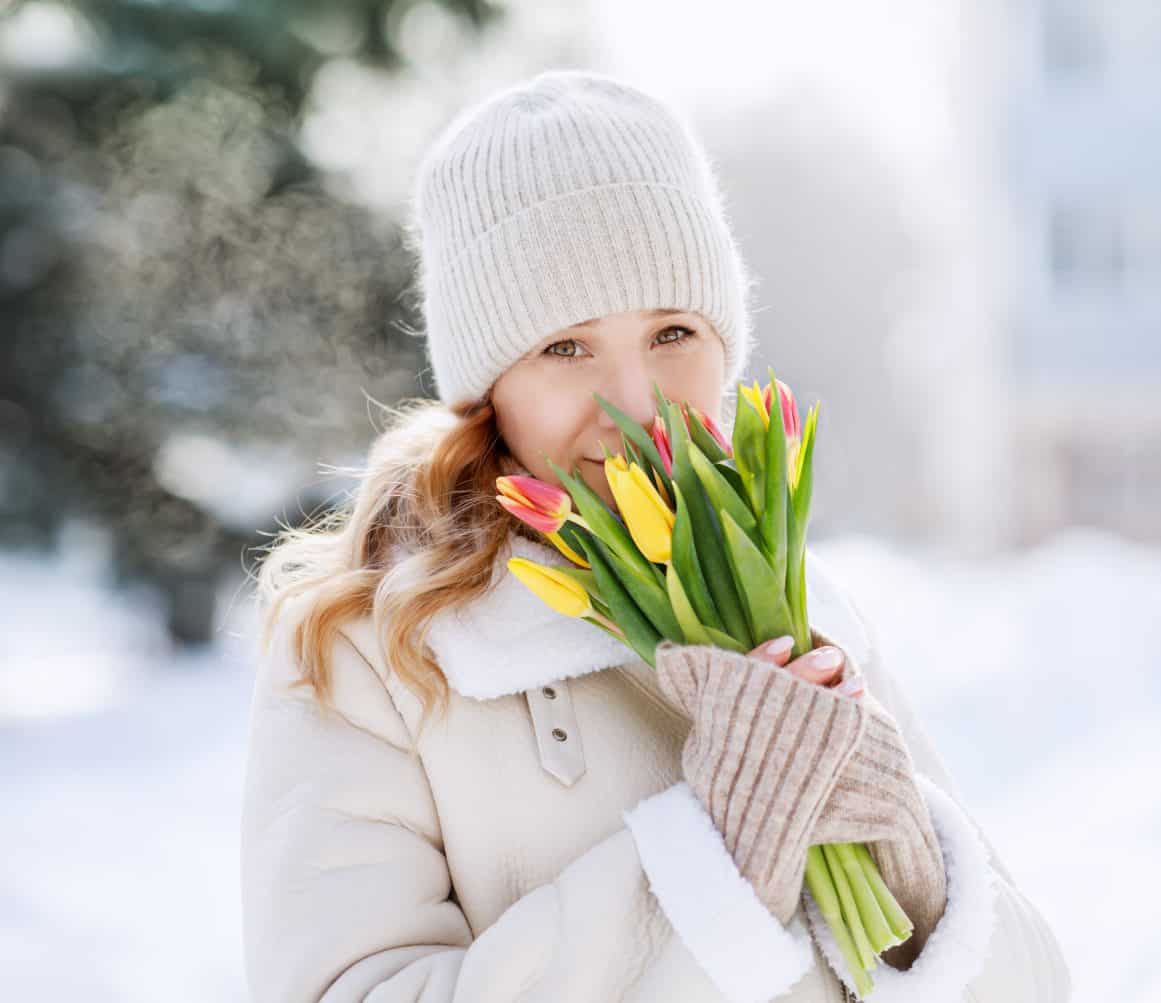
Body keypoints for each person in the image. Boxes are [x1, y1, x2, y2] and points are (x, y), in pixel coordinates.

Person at [239, 69, 1071, 1003]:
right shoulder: (373, 650)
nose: (635, 403)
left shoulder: (802, 611)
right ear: (486, 385)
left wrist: (916, 865)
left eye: (673, 331)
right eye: (565, 346)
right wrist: (710, 863)